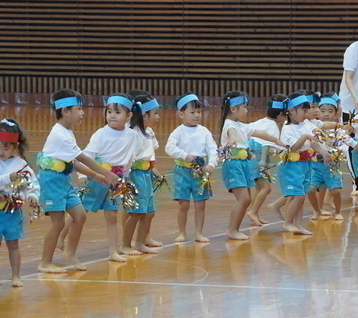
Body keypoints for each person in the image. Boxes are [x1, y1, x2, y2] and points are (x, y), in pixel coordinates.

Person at [37, 89, 120, 273]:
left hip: (63, 179)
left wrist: (95, 175)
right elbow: (82, 158)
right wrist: (106, 173)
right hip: (51, 181)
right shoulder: (59, 134)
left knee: (80, 215)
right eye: (79, 109)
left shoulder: (67, 132)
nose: (83, 113)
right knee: (58, 222)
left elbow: (72, 162)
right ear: (65, 111)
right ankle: (45, 262)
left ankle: (70, 254)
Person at [219, 91, 285, 240]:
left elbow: (260, 133)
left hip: (244, 164)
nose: (246, 111)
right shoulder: (230, 125)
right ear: (233, 109)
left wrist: (276, 140)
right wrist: (232, 139)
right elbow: (231, 132)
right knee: (244, 199)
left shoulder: (241, 126)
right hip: (234, 165)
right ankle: (232, 230)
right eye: (244, 107)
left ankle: (234, 229)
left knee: (246, 199)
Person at [0, 119, 40, 287]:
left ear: (15, 146)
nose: (1, 152)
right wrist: (9, 177)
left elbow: (32, 184)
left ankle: (16, 276)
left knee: (13, 244)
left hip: (13, 212)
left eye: (6, 148)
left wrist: (32, 196)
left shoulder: (21, 165)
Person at [81, 94, 137, 262]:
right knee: (81, 211)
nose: (112, 116)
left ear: (128, 116)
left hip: (115, 181)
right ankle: (62, 237)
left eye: (118, 112)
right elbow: (87, 155)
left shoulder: (132, 135)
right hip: (97, 178)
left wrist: (125, 176)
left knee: (112, 215)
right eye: (109, 111)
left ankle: (113, 251)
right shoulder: (100, 134)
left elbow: (129, 157)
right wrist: (82, 175)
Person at [165, 93, 218, 243]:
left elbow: (213, 149)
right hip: (182, 171)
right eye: (192, 112)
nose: (196, 115)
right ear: (181, 114)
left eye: (199, 112)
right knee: (183, 204)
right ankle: (181, 232)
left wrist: (211, 164)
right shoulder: (178, 131)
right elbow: (169, 147)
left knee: (200, 204)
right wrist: (184, 155)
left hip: (201, 172)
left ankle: (199, 233)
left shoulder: (204, 131)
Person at [279, 92, 330, 234]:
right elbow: (294, 147)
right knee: (298, 195)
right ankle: (288, 223)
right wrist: (305, 136)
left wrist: (324, 152)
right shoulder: (287, 128)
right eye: (304, 110)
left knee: (301, 196)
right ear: (291, 111)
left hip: (305, 164)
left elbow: (313, 143)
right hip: (292, 166)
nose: (306, 114)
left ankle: (298, 224)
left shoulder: (305, 125)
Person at [120, 94, 162, 254]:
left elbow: (149, 153)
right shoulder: (133, 134)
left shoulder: (148, 132)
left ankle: (140, 241)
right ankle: (125, 244)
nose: (158, 117)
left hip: (146, 175)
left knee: (149, 212)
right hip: (135, 176)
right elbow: (129, 158)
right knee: (136, 213)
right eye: (155, 113)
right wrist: (126, 179)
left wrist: (153, 168)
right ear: (144, 115)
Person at [246, 94, 287, 227]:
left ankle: (255, 213)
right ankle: (253, 212)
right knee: (266, 188)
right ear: (280, 114)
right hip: (259, 159)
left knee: (259, 188)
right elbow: (265, 144)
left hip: (250, 157)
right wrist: (263, 160)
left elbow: (247, 131)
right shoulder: (273, 127)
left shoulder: (261, 121)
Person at [307, 93, 346, 221]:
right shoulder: (313, 127)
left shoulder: (338, 130)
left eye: (330, 111)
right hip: (315, 164)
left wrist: (339, 152)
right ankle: (317, 210)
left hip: (332, 165)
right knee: (311, 189)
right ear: (317, 112)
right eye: (322, 110)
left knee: (335, 190)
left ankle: (338, 211)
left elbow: (345, 144)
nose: (326, 114)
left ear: (336, 113)